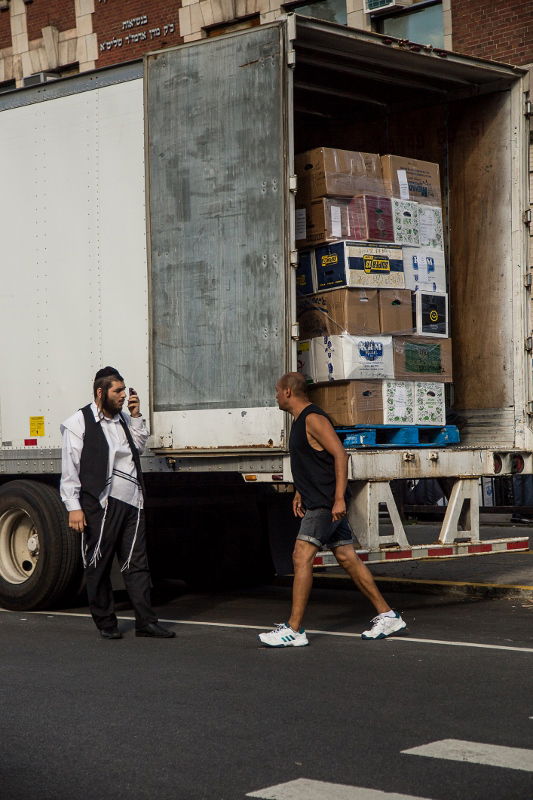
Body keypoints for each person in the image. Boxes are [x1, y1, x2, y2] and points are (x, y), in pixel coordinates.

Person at [258, 372, 406, 647]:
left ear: (289, 391)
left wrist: (338, 499)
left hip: (325, 504)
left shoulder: (314, 418)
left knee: (301, 556)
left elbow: (340, 454)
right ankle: (388, 615)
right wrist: (299, 491)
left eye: (277, 390)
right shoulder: (299, 422)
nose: (276, 395)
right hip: (318, 499)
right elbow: (315, 461)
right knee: (348, 558)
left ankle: (294, 629)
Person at [60, 367, 175, 640]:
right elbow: (70, 468)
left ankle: (146, 622)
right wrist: (73, 506)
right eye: (118, 391)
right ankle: (106, 622)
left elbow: (137, 448)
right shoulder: (79, 422)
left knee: (137, 564)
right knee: (98, 563)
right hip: (101, 503)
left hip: (133, 501)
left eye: (124, 390)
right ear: (101, 392)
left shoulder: (124, 418)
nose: (123, 395)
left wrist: (136, 417)